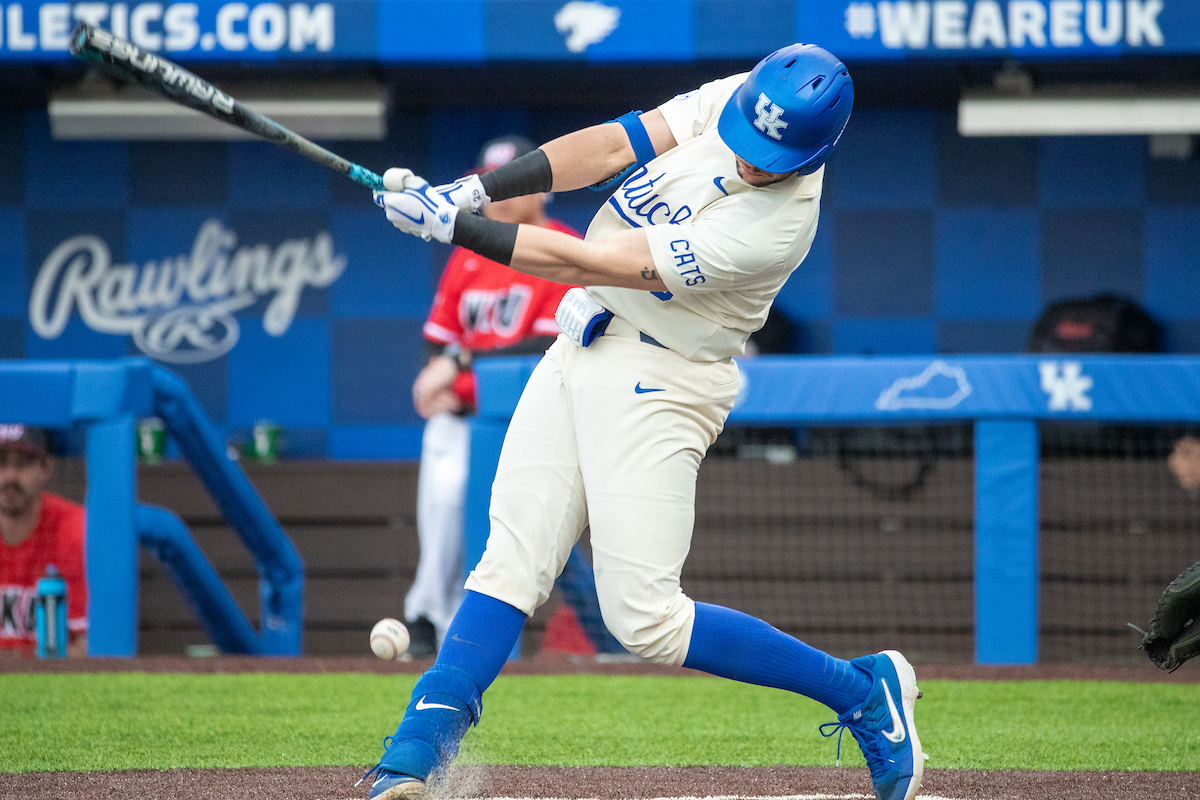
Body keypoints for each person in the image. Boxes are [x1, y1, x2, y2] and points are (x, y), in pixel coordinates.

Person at [367, 43, 923, 800]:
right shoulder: (744, 97)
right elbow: (605, 146)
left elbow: (596, 259)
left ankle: (862, 692)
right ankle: (413, 753)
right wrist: (473, 191)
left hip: (662, 378)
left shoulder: (774, 226)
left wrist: (457, 228)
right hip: (578, 343)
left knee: (645, 619)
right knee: (510, 558)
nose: (753, 159)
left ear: (814, 151)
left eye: (773, 155)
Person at [404, 136, 578, 657]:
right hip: (463, 415)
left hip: (533, 418)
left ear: (540, 186)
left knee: (535, 527)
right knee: (445, 497)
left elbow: (544, 345)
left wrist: (456, 363)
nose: (499, 193)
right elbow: (438, 335)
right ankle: (427, 617)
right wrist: (436, 375)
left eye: (513, 180)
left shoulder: (564, 246)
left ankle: (471, 623)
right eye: (493, 179)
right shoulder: (473, 252)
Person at [0, 425, 88, 657]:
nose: (10, 476)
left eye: (23, 463)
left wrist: (19, 659)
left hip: (56, 684)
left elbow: (90, 647)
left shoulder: (73, 529)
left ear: (46, 468)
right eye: (1, 462)